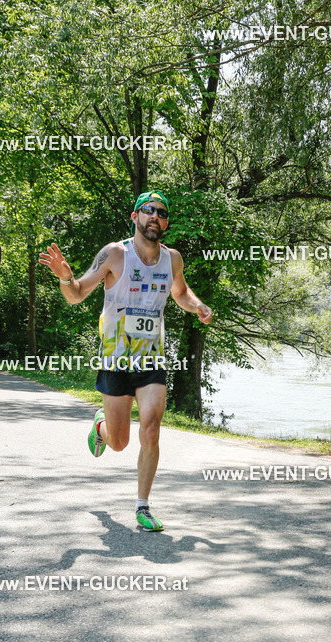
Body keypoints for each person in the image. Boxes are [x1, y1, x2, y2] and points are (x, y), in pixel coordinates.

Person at [39, 190, 213, 531]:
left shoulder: (172, 259)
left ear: (165, 223)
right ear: (135, 217)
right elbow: (76, 294)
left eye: (162, 213)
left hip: (151, 360)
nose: (155, 216)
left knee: (151, 428)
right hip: (115, 360)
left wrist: (198, 306)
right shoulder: (115, 254)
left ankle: (142, 506)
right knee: (119, 443)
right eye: (148, 210)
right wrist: (65, 277)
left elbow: (180, 292)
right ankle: (101, 426)